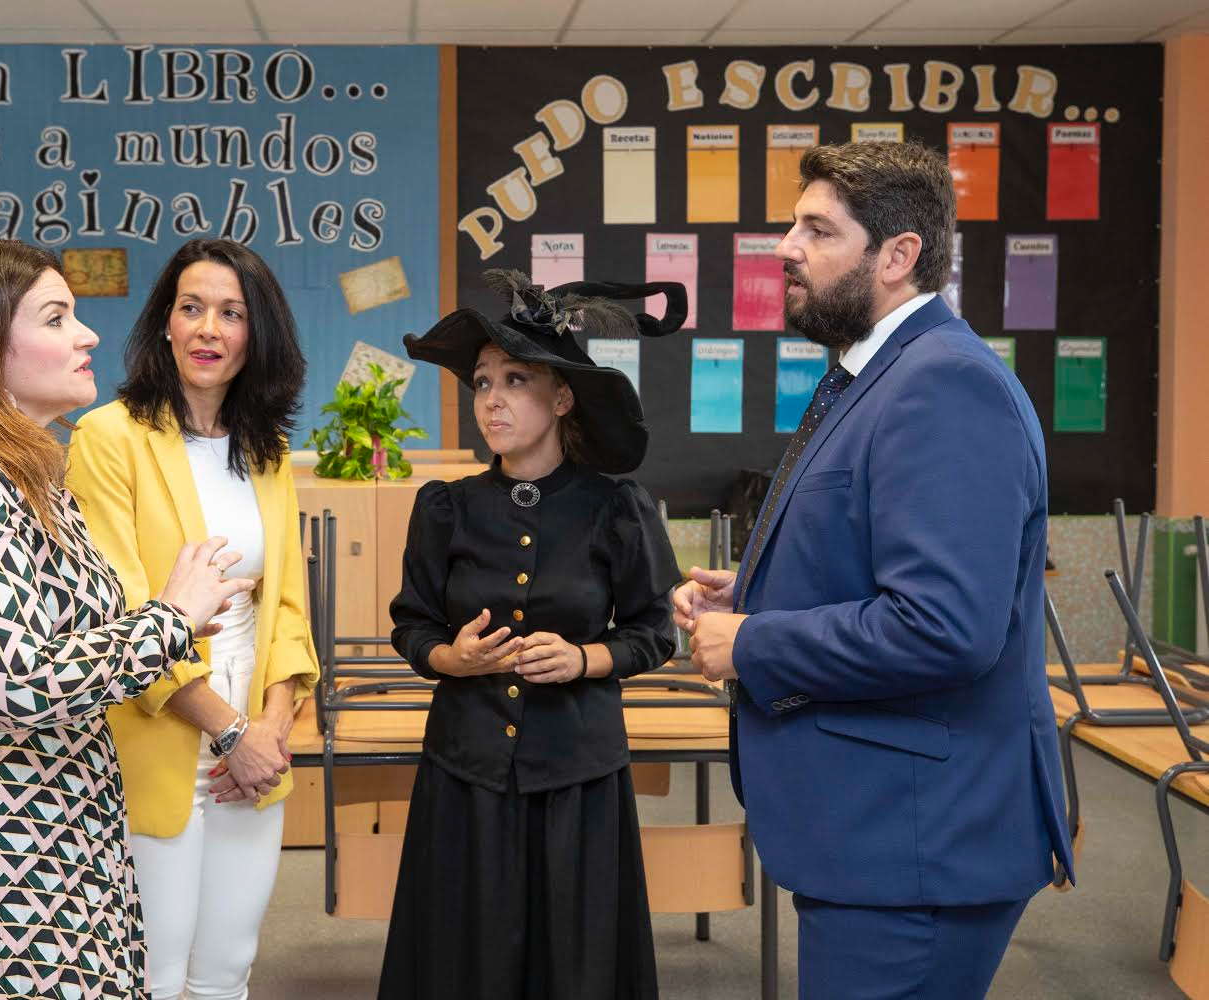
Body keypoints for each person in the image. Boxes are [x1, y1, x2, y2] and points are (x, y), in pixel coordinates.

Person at [674, 142, 1073, 999]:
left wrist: (754, 642)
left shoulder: (944, 386)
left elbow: (945, 627)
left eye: (818, 229)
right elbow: (886, 566)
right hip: (879, 833)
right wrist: (753, 593)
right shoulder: (873, 375)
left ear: (898, 256)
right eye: (794, 224)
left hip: (916, 847)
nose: (784, 247)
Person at [0, 240, 254, 999]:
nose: (88, 335)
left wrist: (168, 622)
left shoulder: (24, 475)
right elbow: (23, 683)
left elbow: (55, 647)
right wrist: (167, 618)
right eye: (57, 317)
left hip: (49, 841)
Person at [378, 271, 685, 1000]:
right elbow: (411, 623)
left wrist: (586, 657)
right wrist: (451, 657)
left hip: (576, 776)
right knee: (465, 962)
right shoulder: (445, 507)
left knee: (575, 965)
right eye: (482, 383)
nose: (492, 400)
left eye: (515, 381)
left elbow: (655, 632)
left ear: (561, 396)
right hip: (467, 772)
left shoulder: (616, 507)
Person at [66, 238, 319, 1000]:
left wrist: (269, 728)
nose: (209, 327)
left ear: (256, 333)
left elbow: (287, 606)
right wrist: (228, 733)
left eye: (231, 312)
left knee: (228, 965)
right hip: (159, 726)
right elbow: (119, 608)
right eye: (191, 307)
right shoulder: (108, 437)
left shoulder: (267, 449)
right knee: (154, 966)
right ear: (165, 325)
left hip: (255, 734)